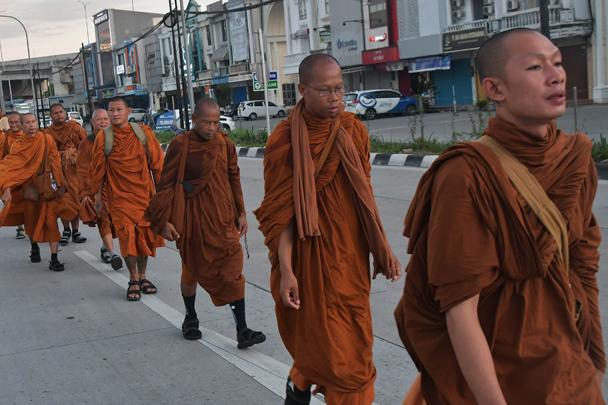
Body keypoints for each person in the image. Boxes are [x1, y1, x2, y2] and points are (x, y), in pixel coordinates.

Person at [395, 29, 603, 405]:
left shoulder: (575, 160)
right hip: (498, 371)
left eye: (557, 62)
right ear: (495, 89)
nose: (556, 75)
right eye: (536, 67)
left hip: (568, 364)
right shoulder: (467, 173)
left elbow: (583, 265)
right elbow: (460, 310)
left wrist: (591, 357)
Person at [254, 54, 401, 405]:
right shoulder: (284, 141)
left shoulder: (354, 130)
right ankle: (306, 378)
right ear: (302, 90)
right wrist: (287, 271)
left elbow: (364, 197)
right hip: (309, 261)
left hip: (350, 259)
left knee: (350, 341)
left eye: (339, 88)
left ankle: (300, 379)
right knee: (342, 361)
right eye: (324, 90)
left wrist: (381, 245)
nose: (335, 97)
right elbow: (281, 214)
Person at [148, 98, 266, 348]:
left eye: (215, 122)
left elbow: (233, 177)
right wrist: (164, 221)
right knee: (191, 270)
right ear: (194, 120)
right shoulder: (182, 144)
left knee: (233, 272)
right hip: (193, 218)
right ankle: (190, 317)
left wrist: (241, 212)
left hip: (223, 219)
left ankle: (242, 330)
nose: (212, 128)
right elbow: (166, 183)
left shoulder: (224, 144)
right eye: (206, 122)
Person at [87, 97, 165, 301]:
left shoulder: (143, 134)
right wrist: (97, 198)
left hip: (144, 196)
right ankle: (132, 278)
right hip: (119, 199)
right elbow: (97, 171)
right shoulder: (104, 138)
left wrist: (163, 195)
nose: (114, 114)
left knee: (143, 239)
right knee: (127, 237)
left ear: (128, 111)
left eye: (118, 109)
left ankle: (143, 276)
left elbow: (157, 166)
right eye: (111, 110)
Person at [0, 113, 70, 272]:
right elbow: (11, 166)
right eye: (27, 123)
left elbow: (55, 158)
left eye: (33, 121)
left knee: (51, 221)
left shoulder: (46, 139)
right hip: (28, 188)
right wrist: (7, 186)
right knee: (30, 220)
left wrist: (59, 180)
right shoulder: (19, 144)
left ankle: (54, 258)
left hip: (46, 186)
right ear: (23, 126)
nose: (31, 125)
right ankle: (34, 246)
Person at [76, 108, 122, 270]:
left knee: (117, 220)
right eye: (99, 120)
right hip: (97, 188)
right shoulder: (86, 143)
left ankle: (105, 247)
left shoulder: (119, 138)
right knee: (103, 217)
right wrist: (85, 192)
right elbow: (82, 170)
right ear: (92, 123)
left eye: (105, 119)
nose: (103, 122)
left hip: (117, 187)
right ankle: (112, 252)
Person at [44, 103, 86, 246]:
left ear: (66, 113)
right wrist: (63, 153)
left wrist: (73, 151)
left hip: (75, 171)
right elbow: (47, 153)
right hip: (58, 171)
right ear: (51, 116)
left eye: (61, 112)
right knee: (62, 200)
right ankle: (66, 229)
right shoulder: (47, 133)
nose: (59, 115)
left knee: (75, 199)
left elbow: (85, 147)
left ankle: (75, 231)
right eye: (55, 113)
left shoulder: (75, 128)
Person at [0, 112, 26, 239]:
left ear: (21, 122)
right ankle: (20, 227)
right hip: (11, 174)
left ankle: (32, 225)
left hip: (28, 172)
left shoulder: (29, 135)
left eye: (17, 122)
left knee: (30, 201)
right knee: (14, 201)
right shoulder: (4, 137)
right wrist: (0, 169)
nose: (14, 125)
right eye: (11, 123)